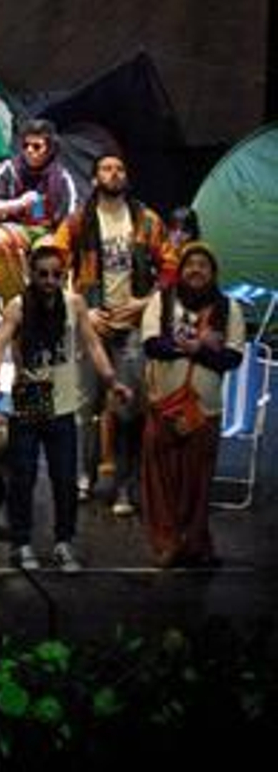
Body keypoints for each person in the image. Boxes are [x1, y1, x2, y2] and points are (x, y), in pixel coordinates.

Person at [0, 244, 129, 572]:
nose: (49, 280)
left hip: (63, 400)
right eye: (43, 274)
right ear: (32, 275)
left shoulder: (74, 304)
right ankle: (21, 542)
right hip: (32, 396)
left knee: (64, 478)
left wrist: (111, 380)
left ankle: (64, 541)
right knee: (24, 476)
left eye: (56, 274)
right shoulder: (19, 306)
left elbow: (92, 343)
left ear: (63, 275)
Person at [51, 153, 175, 514]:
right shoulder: (78, 222)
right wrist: (81, 309)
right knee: (82, 407)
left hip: (132, 328)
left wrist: (146, 302)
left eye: (120, 168)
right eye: (106, 168)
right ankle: (82, 478)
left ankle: (124, 485)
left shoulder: (145, 219)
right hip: (91, 326)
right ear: (94, 178)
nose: (114, 173)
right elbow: (52, 265)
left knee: (127, 410)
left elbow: (170, 265)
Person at [140, 242, 244, 569]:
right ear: (181, 271)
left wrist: (198, 348)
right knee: (161, 482)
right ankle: (167, 543)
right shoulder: (162, 300)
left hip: (205, 413)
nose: (196, 270)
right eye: (190, 264)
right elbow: (152, 345)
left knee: (198, 485)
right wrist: (197, 347)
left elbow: (232, 357)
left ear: (213, 273)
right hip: (164, 407)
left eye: (203, 265)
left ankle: (195, 543)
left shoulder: (230, 309)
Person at [0, 118, 78, 302]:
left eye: (37, 146)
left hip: (48, 231)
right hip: (16, 227)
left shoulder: (62, 177)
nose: (30, 151)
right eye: (26, 145)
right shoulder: (10, 170)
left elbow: (70, 221)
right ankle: (15, 302)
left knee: (48, 254)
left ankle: (48, 304)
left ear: (50, 148)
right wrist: (18, 204)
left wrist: (59, 245)